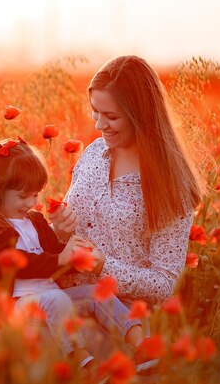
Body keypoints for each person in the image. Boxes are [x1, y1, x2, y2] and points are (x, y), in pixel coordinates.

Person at [0, 137, 148, 373]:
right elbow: (14, 264)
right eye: (23, 197)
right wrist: (59, 259)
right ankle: (83, 362)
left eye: (35, 195)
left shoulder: (35, 220)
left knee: (97, 293)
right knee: (57, 300)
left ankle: (141, 344)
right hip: (11, 306)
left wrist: (74, 256)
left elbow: (55, 254)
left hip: (49, 298)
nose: (32, 203)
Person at [50, 55, 204, 309]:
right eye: (95, 111)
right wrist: (58, 232)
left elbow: (163, 284)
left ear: (140, 115)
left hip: (118, 318)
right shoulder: (93, 153)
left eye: (111, 116)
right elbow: (62, 239)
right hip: (61, 301)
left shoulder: (170, 184)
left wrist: (102, 265)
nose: (99, 124)